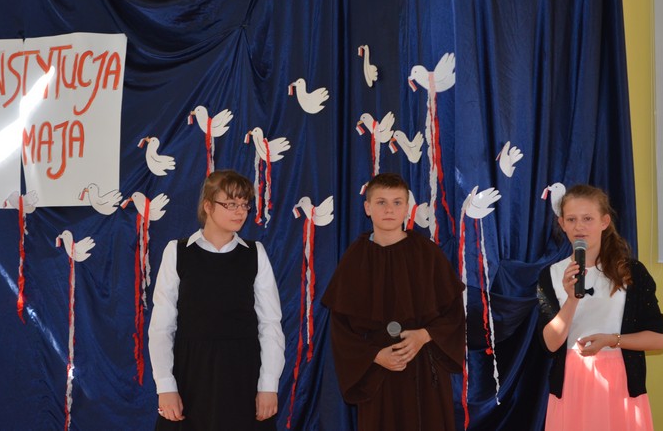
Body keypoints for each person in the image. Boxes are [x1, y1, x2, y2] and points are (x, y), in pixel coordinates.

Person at [321, 173, 466, 431]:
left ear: (407, 207)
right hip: (378, 375)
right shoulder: (354, 259)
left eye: (397, 202)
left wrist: (425, 335)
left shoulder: (428, 253)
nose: (389, 210)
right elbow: (341, 329)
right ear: (367, 207)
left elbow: (454, 314)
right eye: (381, 202)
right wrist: (375, 356)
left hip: (425, 370)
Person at [148, 170, 285, 430]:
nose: (240, 211)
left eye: (244, 204)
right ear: (208, 206)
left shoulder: (255, 254)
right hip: (190, 374)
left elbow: (270, 324)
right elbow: (161, 327)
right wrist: (165, 385)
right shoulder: (177, 252)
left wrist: (268, 385)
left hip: (243, 374)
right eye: (231, 204)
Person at [537, 184, 663, 430]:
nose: (579, 226)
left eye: (588, 218)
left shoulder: (631, 272)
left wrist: (612, 340)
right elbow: (551, 344)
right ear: (562, 223)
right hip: (572, 384)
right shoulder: (551, 274)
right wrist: (572, 299)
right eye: (571, 219)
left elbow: (658, 339)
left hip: (621, 383)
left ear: (604, 222)